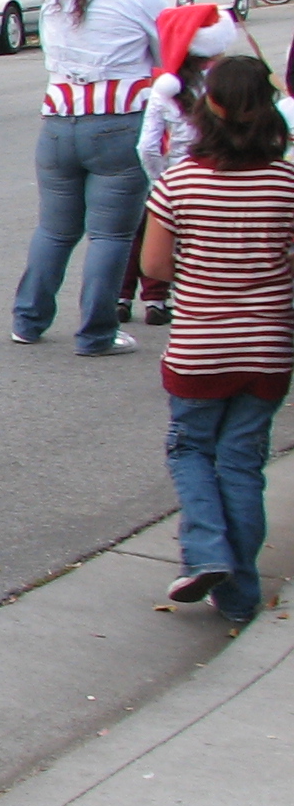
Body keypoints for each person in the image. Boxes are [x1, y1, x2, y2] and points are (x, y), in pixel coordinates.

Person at [138, 56, 294, 627]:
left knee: (190, 450)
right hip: (269, 351)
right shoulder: (286, 182)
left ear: (210, 109)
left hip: (200, 348)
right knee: (241, 463)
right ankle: (238, 595)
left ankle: (205, 552)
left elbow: (155, 264)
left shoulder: (179, 181)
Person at [12, 0, 167, 355]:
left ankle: (28, 319)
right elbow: (166, 55)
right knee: (111, 235)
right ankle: (96, 333)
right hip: (118, 123)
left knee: (55, 230)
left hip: (59, 121)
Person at [129, 4, 240, 324]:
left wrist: (159, 180)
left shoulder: (164, 89)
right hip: (221, 172)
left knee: (160, 239)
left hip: (177, 177)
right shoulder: (226, 84)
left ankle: (154, 299)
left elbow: (147, 146)